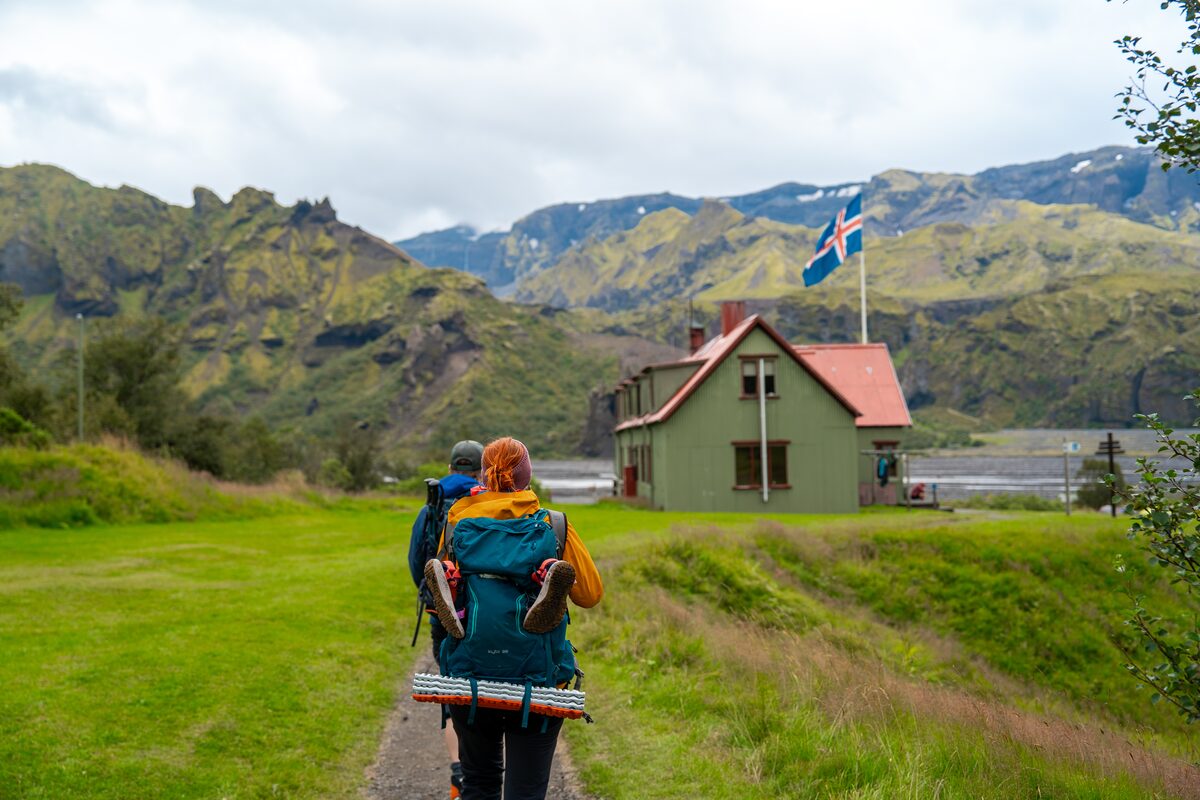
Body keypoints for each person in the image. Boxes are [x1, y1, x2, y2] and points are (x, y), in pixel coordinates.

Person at [428, 437, 603, 800]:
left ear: (486, 474)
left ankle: (457, 595)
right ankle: (542, 586)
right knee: (526, 790)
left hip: (470, 674)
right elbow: (590, 595)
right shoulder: (553, 524)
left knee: (479, 783)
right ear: (527, 475)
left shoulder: (458, 518)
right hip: (537, 679)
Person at [408, 439, 484, 800]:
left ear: (452, 468)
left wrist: (435, 596)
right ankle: (488, 769)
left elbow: (415, 564)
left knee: (452, 685)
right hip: (485, 613)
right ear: (482, 471)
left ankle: (459, 772)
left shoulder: (432, 507)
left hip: (443, 612)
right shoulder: (486, 503)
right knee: (488, 686)